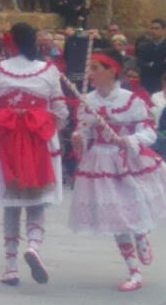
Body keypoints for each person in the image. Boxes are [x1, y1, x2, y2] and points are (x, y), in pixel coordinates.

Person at [0, 23, 68, 286]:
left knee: (11, 204)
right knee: (37, 200)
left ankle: (10, 266)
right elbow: (60, 112)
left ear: (10, 42)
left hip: (5, 138)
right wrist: (42, 123)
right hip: (40, 137)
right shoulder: (49, 70)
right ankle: (35, 247)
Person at [69, 49, 166, 291]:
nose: (90, 73)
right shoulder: (88, 101)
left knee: (134, 204)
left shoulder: (130, 101)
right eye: (89, 68)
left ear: (112, 71)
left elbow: (149, 133)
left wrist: (129, 141)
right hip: (100, 162)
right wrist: (80, 138)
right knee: (115, 216)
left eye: (95, 68)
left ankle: (141, 234)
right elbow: (87, 131)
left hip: (128, 160)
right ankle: (133, 270)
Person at [137, 19, 166, 94]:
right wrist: (160, 63)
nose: (153, 31)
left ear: (164, 30)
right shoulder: (143, 47)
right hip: (147, 84)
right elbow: (141, 64)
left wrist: (150, 64)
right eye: (152, 28)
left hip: (163, 85)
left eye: (157, 28)